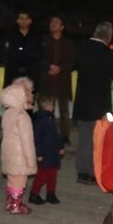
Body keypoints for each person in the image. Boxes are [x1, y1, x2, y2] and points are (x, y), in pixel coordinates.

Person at [73, 22, 113, 186]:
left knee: (83, 139)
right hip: (97, 104)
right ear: (109, 36)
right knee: (95, 140)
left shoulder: (83, 47)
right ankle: (91, 173)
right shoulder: (105, 52)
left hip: (82, 101)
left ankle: (81, 172)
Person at [0, 78, 37, 215]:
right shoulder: (22, 116)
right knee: (20, 181)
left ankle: (10, 202)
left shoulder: (8, 114)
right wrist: (30, 160)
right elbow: (26, 141)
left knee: (12, 179)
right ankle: (16, 204)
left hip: (9, 153)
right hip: (20, 156)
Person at [41, 16, 77, 144]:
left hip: (63, 80)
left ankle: (65, 135)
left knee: (64, 111)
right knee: (45, 107)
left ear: (62, 27)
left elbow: (72, 61)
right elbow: (39, 57)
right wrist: (49, 66)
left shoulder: (68, 43)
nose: (53, 24)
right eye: (52, 22)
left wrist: (60, 68)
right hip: (47, 78)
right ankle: (44, 132)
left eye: (56, 22)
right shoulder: (44, 40)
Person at [30, 94, 64, 205]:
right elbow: (37, 138)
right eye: (51, 104)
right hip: (45, 152)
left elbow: (56, 135)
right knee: (42, 175)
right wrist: (38, 153)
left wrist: (60, 146)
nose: (53, 106)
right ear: (47, 105)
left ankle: (51, 193)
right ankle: (34, 194)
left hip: (52, 152)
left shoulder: (50, 118)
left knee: (52, 175)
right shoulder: (41, 120)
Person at [4, 10, 44, 89]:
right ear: (18, 21)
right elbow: (8, 54)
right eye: (21, 18)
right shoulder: (11, 36)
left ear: (30, 21)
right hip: (14, 73)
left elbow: (39, 54)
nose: (23, 21)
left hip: (31, 73)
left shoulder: (36, 37)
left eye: (26, 19)